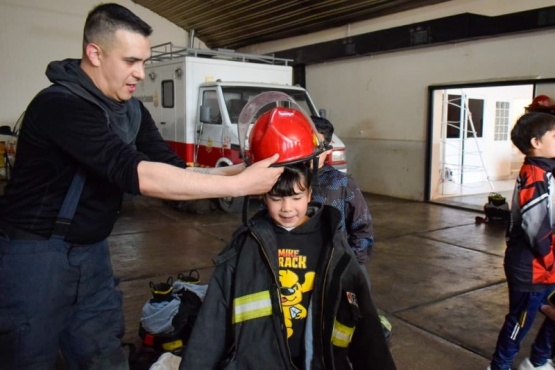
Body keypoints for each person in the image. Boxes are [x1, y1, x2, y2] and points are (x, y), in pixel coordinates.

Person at [0, 4, 283, 369]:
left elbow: (172, 168)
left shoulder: (130, 110)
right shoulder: (60, 105)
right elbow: (137, 174)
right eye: (131, 61)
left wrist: (238, 172)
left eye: (144, 62)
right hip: (35, 256)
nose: (141, 74)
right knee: (27, 355)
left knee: (103, 351)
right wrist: (243, 185)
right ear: (95, 53)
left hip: (91, 253)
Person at [180, 106, 396, 369]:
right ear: (261, 195)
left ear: (310, 194)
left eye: (296, 198)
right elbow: (211, 325)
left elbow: (367, 333)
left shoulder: (334, 247)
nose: (286, 209)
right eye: (276, 198)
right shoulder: (245, 246)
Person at [310, 116, 392, 339]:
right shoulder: (287, 180)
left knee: (357, 315)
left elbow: (362, 228)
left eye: (316, 146)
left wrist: (352, 264)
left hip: (339, 263)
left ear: (328, 149)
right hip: (301, 264)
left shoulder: (342, 183)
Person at [488, 112, 555, 370]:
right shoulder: (534, 177)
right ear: (536, 142)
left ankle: (538, 361)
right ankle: (499, 366)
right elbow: (536, 230)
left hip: (546, 266)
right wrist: (549, 261)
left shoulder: (546, 170)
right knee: (519, 322)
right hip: (532, 268)